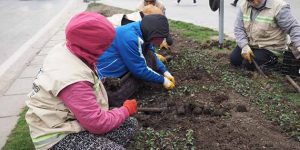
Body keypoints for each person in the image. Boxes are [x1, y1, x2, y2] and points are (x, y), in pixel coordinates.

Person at [25, 12, 138, 150]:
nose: (106, 49)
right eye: (104, 45)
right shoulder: (72, 79)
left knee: (128, 124)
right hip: (55, 134)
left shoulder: (69, 49)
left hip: (70, 119)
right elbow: (98, 124)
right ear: (92, 45)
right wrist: (126, 109)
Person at [96, 14, 175, 107]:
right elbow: (140, 70)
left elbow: (151, 53)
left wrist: (165, 71)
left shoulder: (144, 31)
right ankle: (113, 95)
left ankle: (142, 79)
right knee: (114, 96)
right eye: (162, 38)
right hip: (108, 75)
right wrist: (163, 80)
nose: (162, 41)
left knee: (148, 55)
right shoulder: (130, 38)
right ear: (154, 35)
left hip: (124, 64)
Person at [230, 0, 300, 76]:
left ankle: (273, 62)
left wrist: (298, 44)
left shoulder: (278, 7)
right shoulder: (244, 5)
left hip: (269, 47)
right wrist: (244, 45)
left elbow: (292, 27)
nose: (255, 3)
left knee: (248, 64)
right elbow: (238, 28)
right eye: (251, 1)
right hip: (250, 44)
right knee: (234, 60)